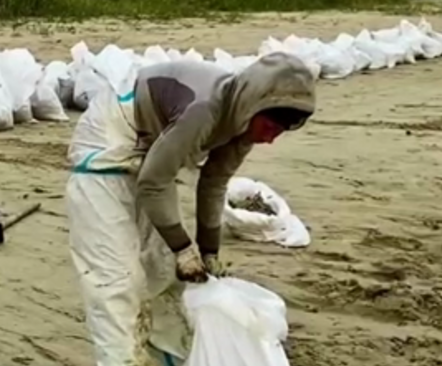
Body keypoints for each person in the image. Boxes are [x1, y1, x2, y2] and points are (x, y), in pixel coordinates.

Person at [65, 52, 316, 365]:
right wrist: (184, 249)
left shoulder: (243, 123)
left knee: (162, 273)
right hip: (110, 140)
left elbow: (214, 184)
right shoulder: (204, 109)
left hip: (154, 148)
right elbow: (154, 183)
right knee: (117, 280)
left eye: (279, 132)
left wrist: (209, 252)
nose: (270, 139)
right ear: (253, 104)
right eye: (269, 127)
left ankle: (167, 357)